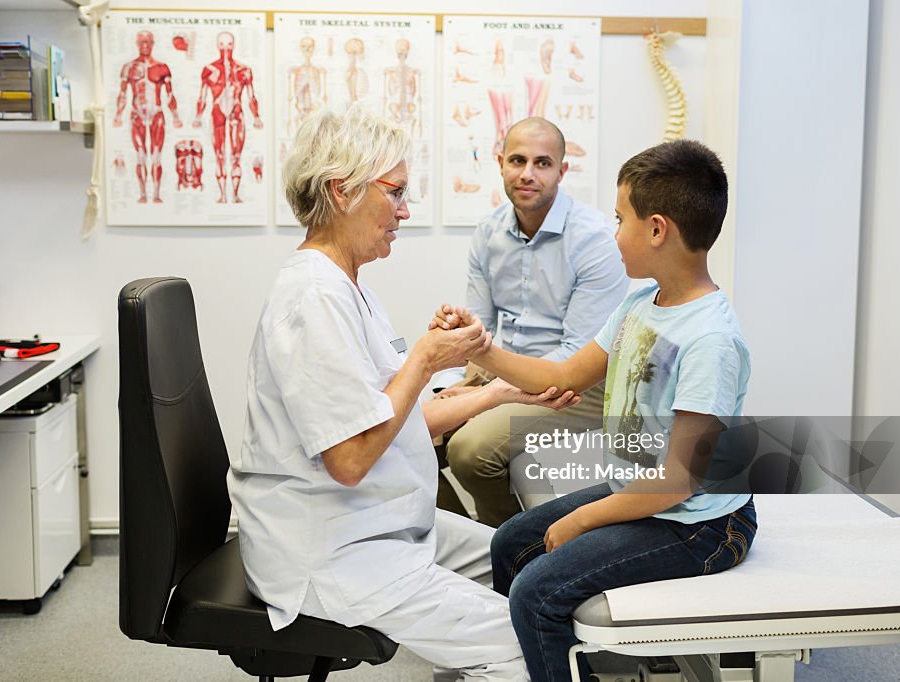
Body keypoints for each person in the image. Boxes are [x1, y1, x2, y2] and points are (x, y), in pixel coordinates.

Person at [228, 105, 581, 680]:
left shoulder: (344, 287)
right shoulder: (314, 297)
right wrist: (422, 358)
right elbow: (349, 458)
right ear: (342, 192)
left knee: (520, 559)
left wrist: (501, 396)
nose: (405, 210)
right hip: (334, 550)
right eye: (394, 192)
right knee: (531, 643)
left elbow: (401, 415)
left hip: (377, 521)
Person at [432, 139, 757, 682]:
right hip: (641, 492)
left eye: (620, 219)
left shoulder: (711, 340)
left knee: (538, 591)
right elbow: (561, 376)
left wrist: (580, 519)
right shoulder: (638, 305)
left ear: (657, 230)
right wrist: (482, 350)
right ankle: (520, 666)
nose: (614, 234)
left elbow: (678, 480)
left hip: (700, 524)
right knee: (512, 541)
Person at [437, 116, 628, 527]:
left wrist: (491, 394)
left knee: (469, 450)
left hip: (580, 385)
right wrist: (459, 374)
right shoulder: (488, 234)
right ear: (500, 162)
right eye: (518, 160)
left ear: (563, 170)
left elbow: (574, 360)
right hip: (508, 370)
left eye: (542, 163)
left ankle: (509, 549)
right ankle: (460, 542)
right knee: (408, 435)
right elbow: (478, 335)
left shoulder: (595, 239)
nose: (528, 174)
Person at [113, 30, 183, 204]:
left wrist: (175, 116)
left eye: (148, 41)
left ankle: (157, 193)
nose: (145, 44)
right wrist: (118, 114)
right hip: (137, 114)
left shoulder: (162, 67)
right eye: (142, 41)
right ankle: (143, 194)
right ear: (137, 43)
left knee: (157, 155)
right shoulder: (128, 67)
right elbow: (122, 94)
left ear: (153, 43)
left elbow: (169, 94)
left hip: (156, 114)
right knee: (141, 155)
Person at [193, 31, 263, 204]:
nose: (226, 48)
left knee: (235, 156)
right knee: (219, 155)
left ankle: (235, 194)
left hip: (236, 113)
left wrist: (256, 116)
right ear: (218, 46)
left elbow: (250, 96)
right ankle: (223, 194)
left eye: (229, 44)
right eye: (222, 44)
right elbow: (202, 96)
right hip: (217, 112)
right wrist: (198, 116)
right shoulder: (209, 70)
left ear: (234, 46)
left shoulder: (244, 71)